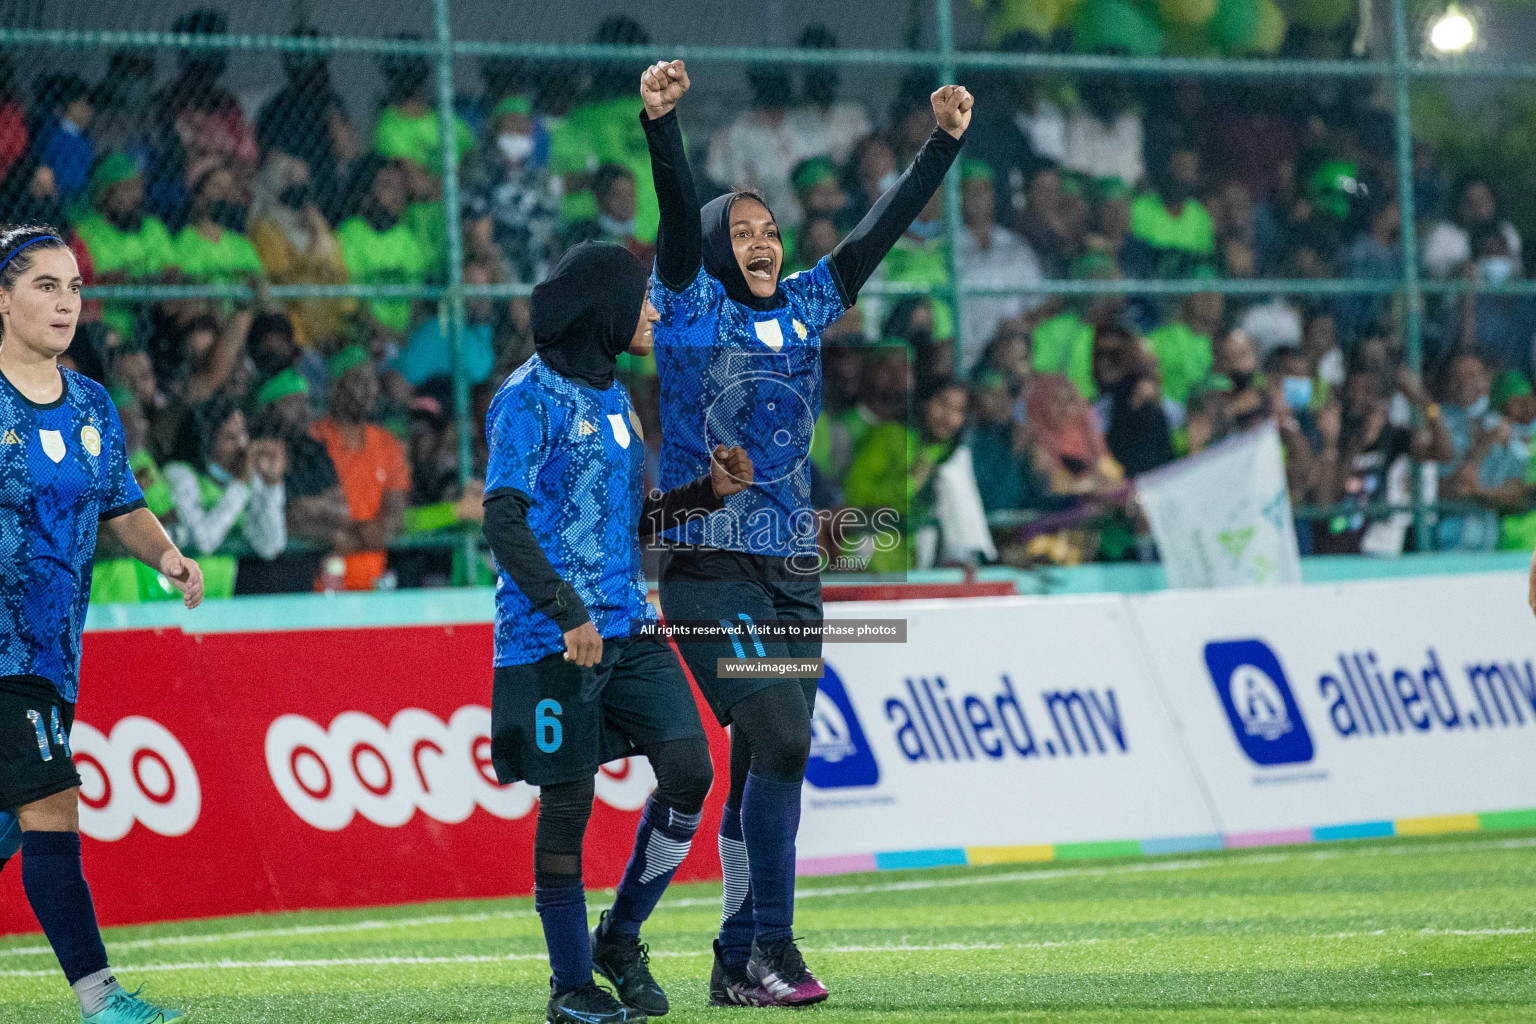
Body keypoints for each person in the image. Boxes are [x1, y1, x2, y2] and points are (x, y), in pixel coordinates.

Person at [640, 58, 971, 1005]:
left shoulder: (808, 303)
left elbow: (877, 233)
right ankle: (774, 947)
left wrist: (938, 146)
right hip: (709, 567)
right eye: (740, 233)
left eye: (770, 230)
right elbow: (673, 218)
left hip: (791, 571)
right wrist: (664, 128)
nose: (761, 242)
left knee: (764, 757)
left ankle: (733, 957)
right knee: (784, 737)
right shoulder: (691, 307)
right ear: (711, 251)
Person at [480, 241, 750, 1024]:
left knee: (691, 769)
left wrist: (708, 493)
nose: (655, 314)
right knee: (567, 806)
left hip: (629, 628)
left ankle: (619, 938)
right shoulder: (525, 399)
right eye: (643, 302)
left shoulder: (614, 400)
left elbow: (634, 522)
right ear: (603, 310)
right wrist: (567, 614)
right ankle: (570, 986)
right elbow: (503, 516)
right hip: (551, 641)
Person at [0, 225, 203, 1022]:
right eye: (45, 285)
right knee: (53, 804)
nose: (66, 302)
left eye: (74, 286)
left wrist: (168, 556)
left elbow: (122, 501)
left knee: (12, 829)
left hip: (54, 654)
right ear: (3, 298)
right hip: (3, 651)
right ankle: (100, 996)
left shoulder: (89, 404)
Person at [310, 346, 410, 590]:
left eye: (372, 382)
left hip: (375, 581)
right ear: (336, 386)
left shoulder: (388, 444)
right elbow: (309, 513)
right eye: (358, 381)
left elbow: (395, 514)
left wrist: (357, 537)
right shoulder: (314, 439)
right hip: (321, 582)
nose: (370, 390)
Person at [248, 150, 354, 349]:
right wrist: (317, 240)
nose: (298, 182)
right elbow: (290, 282)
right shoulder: (265, 230)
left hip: (331, 332)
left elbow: (340, 282)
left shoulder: (321, 230)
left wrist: (319, 234)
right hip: (295, 334)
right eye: (288, 175)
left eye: (301, 177)